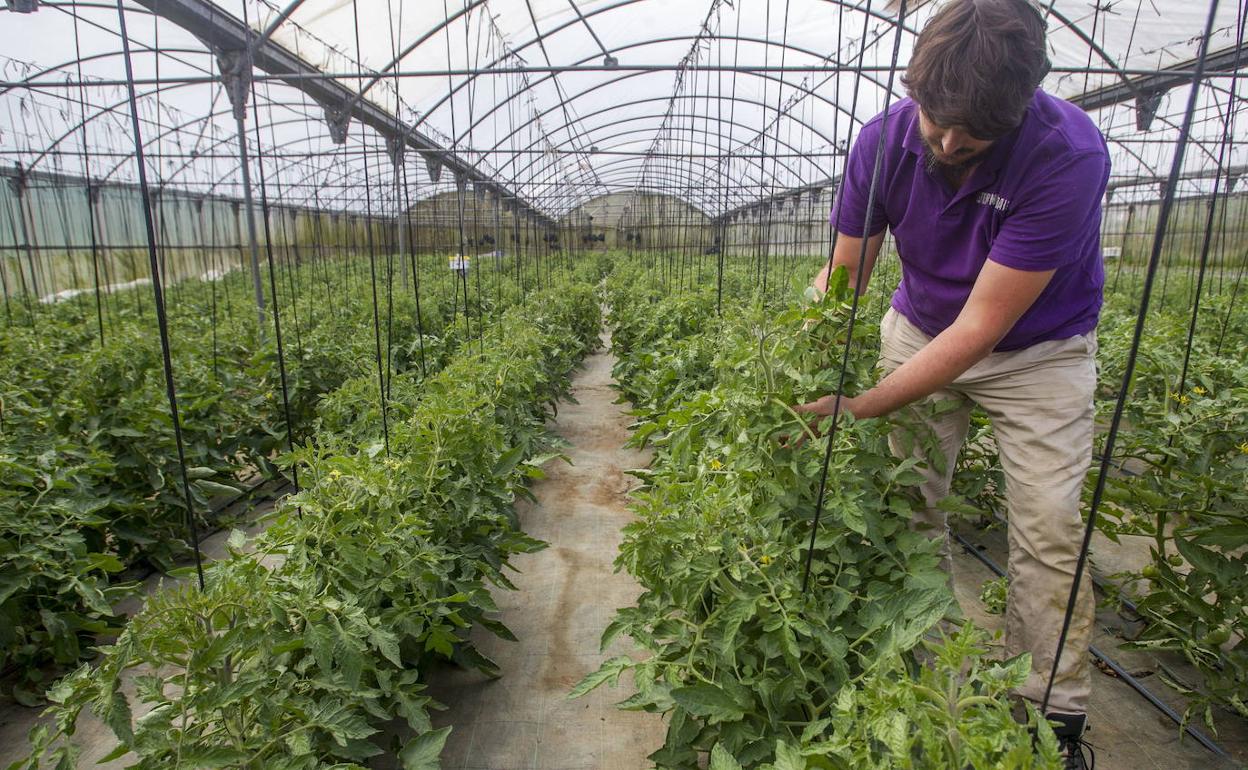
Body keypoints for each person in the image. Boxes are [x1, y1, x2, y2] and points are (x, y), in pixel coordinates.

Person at [796, 1, 1108, 767]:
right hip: (918, 327)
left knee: (1048, 526)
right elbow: (849, 270)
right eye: (935, 120)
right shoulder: (884, 140)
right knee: (909, 507)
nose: (946, 141)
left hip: (1037, 351)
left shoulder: (1066, 154)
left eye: (972, 136)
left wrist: (860, 406)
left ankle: (1049, 711)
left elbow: (981, 331)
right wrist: (799, 343)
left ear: (1023, 106)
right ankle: (921, 671)